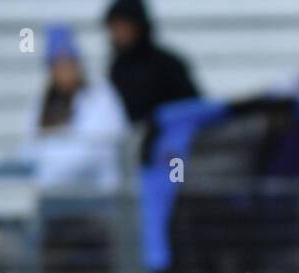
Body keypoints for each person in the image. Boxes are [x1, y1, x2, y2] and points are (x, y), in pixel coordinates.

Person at [15, 24, 128, 190]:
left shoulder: (99, 97)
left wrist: (45, 168)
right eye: (57, 65)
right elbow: (30, 146)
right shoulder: (44, 103)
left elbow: (91, 151)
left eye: (68, 63)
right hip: (53, 196)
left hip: (96, 194)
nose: (64, 71)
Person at [103, 0, 198, 126]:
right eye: (115, 28)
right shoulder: (116, 69)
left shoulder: (168, 64)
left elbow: (192, 107)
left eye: (124, 27)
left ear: (139, 27)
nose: (119, 34)